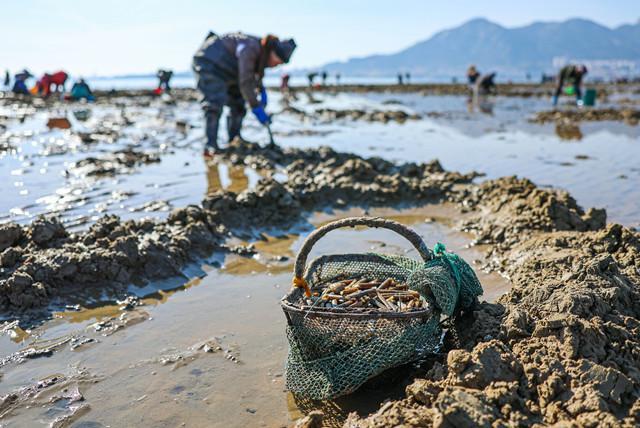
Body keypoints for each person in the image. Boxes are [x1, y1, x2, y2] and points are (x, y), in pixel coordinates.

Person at [193, 32, 296, 154]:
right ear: (272, 53)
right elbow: (246, 83)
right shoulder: (251, 48)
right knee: (214, 103)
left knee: (238, 103)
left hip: (230, 71)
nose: (276, 66)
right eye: (277, 62)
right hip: (210, 62)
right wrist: (256, 107)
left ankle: (234, 139)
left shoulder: (261, 55)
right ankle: (210, 145)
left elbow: (251, 78)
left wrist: (261, 91)